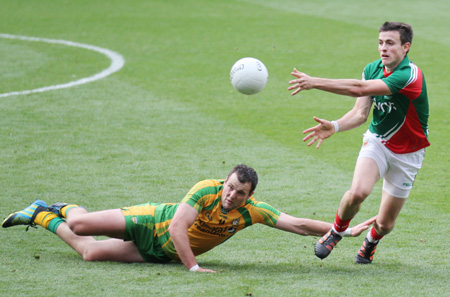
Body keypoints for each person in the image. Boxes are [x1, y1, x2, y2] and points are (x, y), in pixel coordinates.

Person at [2, 164, 375, 272]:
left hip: (162, 253)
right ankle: (63, 208)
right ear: (225, 182)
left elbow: (297, 225)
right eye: (229, 187)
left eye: (239, 193)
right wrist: (193, 268)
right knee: (82, 225)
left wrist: (339, 230)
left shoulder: (251, 212)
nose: (231, 195)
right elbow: (179, 227)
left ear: (249, 196)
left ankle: (39, 214)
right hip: (150, 222)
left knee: (90, 253)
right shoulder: (205, 188)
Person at [288, 22, 429, 264]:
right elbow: (360, 114)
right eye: (380, 42)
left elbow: (358, 88)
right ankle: (336, 231)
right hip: (378, 142)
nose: (383, 48)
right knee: (358, 192)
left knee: (385, 224)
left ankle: (371, 241)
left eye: (390, 43)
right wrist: (334, 125)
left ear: (406, 47)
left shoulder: (410, 75)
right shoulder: (372, 69)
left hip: (409, 153)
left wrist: (315, 82)